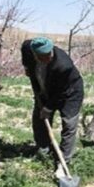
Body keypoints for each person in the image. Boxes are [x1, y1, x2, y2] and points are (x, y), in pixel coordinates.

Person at [21, 37, 84, 178]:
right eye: (42, 57)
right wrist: (26, 66)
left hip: (70, 93)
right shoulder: (28, 48)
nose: (48, 58)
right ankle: (43, 148)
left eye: (49, 55)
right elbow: (24, 48)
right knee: (39, 120)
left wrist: (48, 108)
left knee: (69, 125)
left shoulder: (63, 65)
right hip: (44, 89)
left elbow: (60, 92)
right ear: (35, 54)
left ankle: (63, 162)